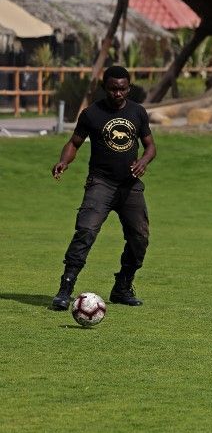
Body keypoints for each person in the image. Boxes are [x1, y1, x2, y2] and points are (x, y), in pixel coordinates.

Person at [50, 66, 157, 311]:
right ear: (104, 88)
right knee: (85, 231)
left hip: (130, 186)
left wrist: (143, 161)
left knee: (139, 238)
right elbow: (74, 142)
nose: (118, 93)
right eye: (113, 88)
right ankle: (65, 288)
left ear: (129, 87)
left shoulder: (138, 112)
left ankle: (122, 286)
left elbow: (150, 146)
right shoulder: (92, 114)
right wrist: (64, 161)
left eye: (122, 88)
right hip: (101, 183)